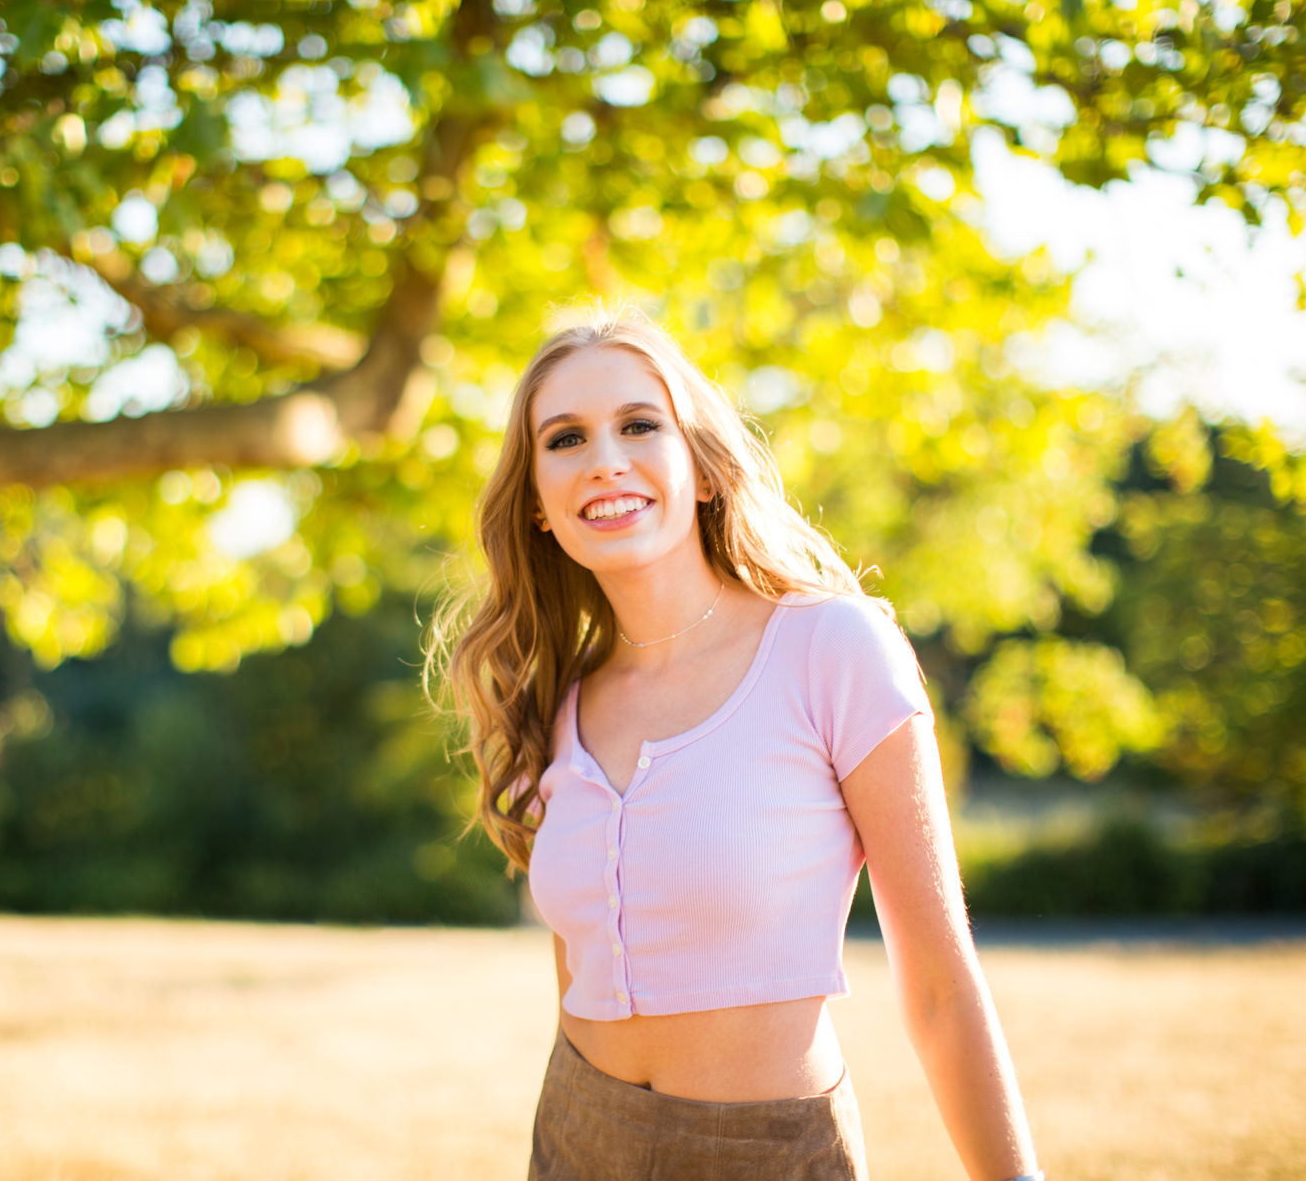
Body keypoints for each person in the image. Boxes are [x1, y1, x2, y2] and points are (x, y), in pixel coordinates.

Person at [429, 305, 1041, 1181]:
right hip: (571, 1136)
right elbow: (583, 975)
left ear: (704, 470)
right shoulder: (556, 700)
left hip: (767, 1151)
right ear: (535, 505)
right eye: (564, 439)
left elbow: (942, 989)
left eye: (640, 424)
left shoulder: (833, 648)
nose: (605, 460)